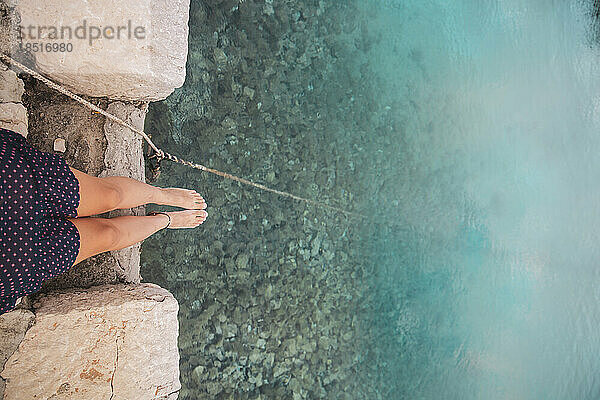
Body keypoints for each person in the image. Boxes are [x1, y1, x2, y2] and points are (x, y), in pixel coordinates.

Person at [0, 127, 208, 313]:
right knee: (108, 235)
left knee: (110, 196)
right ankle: (164, 220)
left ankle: (160, 195)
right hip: (13, 259)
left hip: (12, 188)